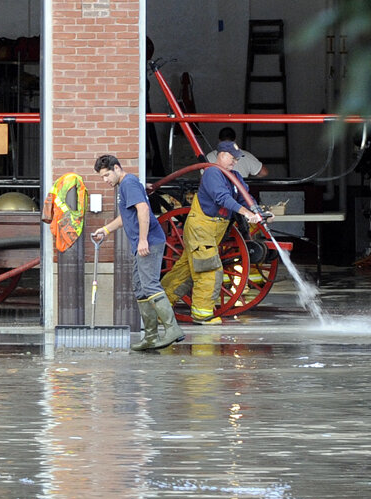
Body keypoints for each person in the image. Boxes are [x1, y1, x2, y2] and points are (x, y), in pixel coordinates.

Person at [161, 140, 264, 323]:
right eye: (233, 158)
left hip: (212, 231)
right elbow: (222, 198)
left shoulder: (234, 176)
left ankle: (158, 307)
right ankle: (203, 313)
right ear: (221, 155)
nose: (235, 162)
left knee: (184, 270)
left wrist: (258, 211)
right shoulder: (212, 173)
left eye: (237, 159)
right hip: (202, 228)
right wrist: (246, 213)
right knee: (208, 270)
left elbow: (245, 196)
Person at [95, 154, 182, 351]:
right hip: (141, 243)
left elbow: (143, 210)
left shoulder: (129, 183)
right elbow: (127, 216)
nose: (105, 180)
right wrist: (106, 229)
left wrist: (143, 239)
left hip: (148, 242)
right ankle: (150, 337)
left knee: (150, 285)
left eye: (107, 175)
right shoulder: (124, 185)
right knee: (140, 287)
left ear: (117, 168)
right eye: (102, 177)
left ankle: (172, 329)